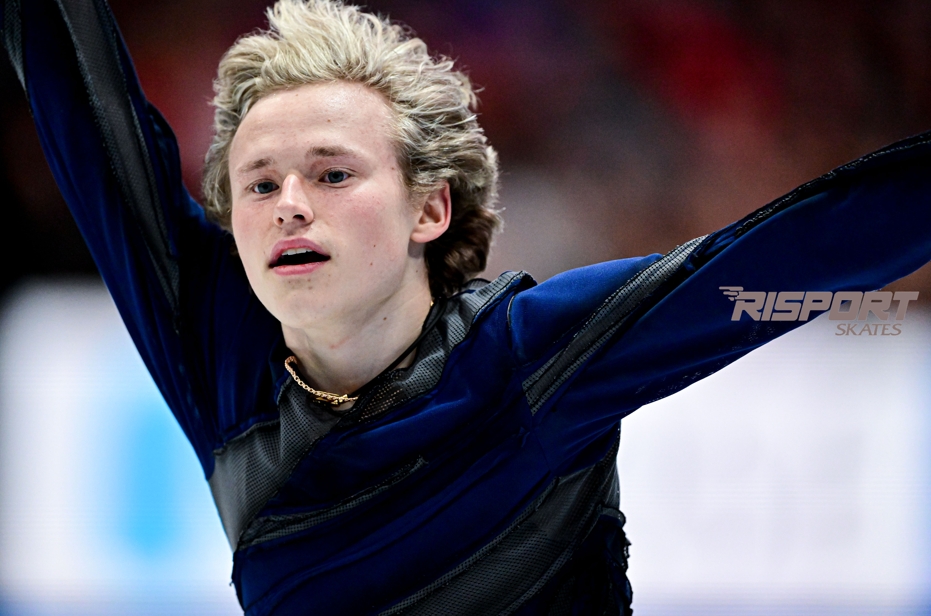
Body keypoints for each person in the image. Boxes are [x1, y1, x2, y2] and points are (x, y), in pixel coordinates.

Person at [2, 0, 930, 614]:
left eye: (332, 173)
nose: (289, 203)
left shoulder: (523, 360)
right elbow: (76, 93)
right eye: (259, 182)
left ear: (429, 208)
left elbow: (782, 266)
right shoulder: (220, 364)